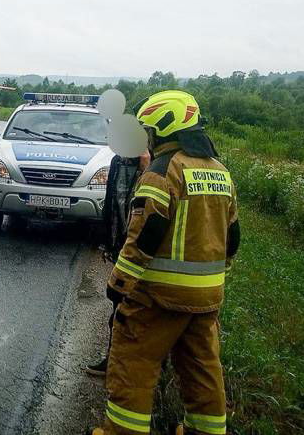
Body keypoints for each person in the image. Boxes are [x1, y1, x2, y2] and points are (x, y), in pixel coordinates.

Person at [88, 91, 240, 435]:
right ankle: (206, 430)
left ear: (162, 131)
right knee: (202, 369)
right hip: (206, 301)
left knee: (133, 364)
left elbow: (143, 238)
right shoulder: (221, 172)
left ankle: (121, 431)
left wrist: (118, 285)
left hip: (157, 299)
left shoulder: (162, 172)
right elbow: (233, 238)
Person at [85, 150, 150, 377]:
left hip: (144, 255)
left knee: (139, 312)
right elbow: (112, 202)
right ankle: (114, 362)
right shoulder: (118, 162)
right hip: (121, 246)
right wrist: (107, 242)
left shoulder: (157, 168)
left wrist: (146, 168)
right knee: (118, 308)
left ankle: (139, 368)